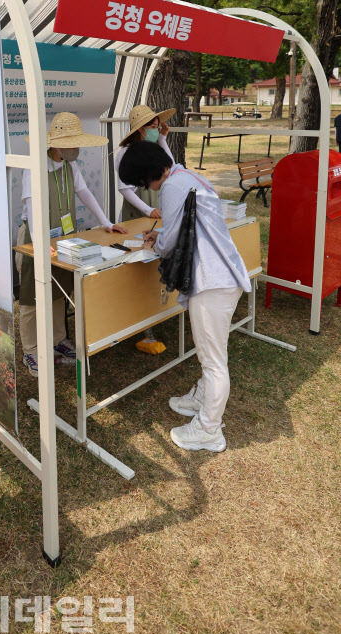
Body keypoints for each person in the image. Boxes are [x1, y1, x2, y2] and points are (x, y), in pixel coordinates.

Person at [119, 141, 251, 453]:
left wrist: (152, 244)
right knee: (213, 352)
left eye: (142, 182)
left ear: (148, 174)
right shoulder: (187, 177)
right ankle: (203, 400)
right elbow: (186, 229)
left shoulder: (171, 187)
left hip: (212, 281)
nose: (145, 188)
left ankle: (209, 430)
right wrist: (161, 236)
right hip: (220, 276)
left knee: (214, 361)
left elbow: (170, 243)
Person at [18, 112, 127, 377]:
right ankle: (31, 350)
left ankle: (57, 340)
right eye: (73, 144)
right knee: (32, 297)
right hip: (36, 239)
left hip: (64, 238)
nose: (77, 149)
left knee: (59, 289)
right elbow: (32, 209)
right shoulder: (33, 167)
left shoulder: (70, 166)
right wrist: (41, 244)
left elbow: (84, 192)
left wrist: (105, 221)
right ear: (57, 146)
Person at [114, 104, 175, 354]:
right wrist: (147, 210)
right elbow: (124, 188)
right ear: (141, 129)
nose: (157, 128)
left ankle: (154, 316)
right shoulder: (125, 153)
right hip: (137, 212)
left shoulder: (153, 148)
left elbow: (170, 166)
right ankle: (138, 324)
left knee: (155, 262)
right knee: (138, 264)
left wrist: (162, 139)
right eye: (153, 125)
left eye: (158, 124)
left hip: (154, 209)